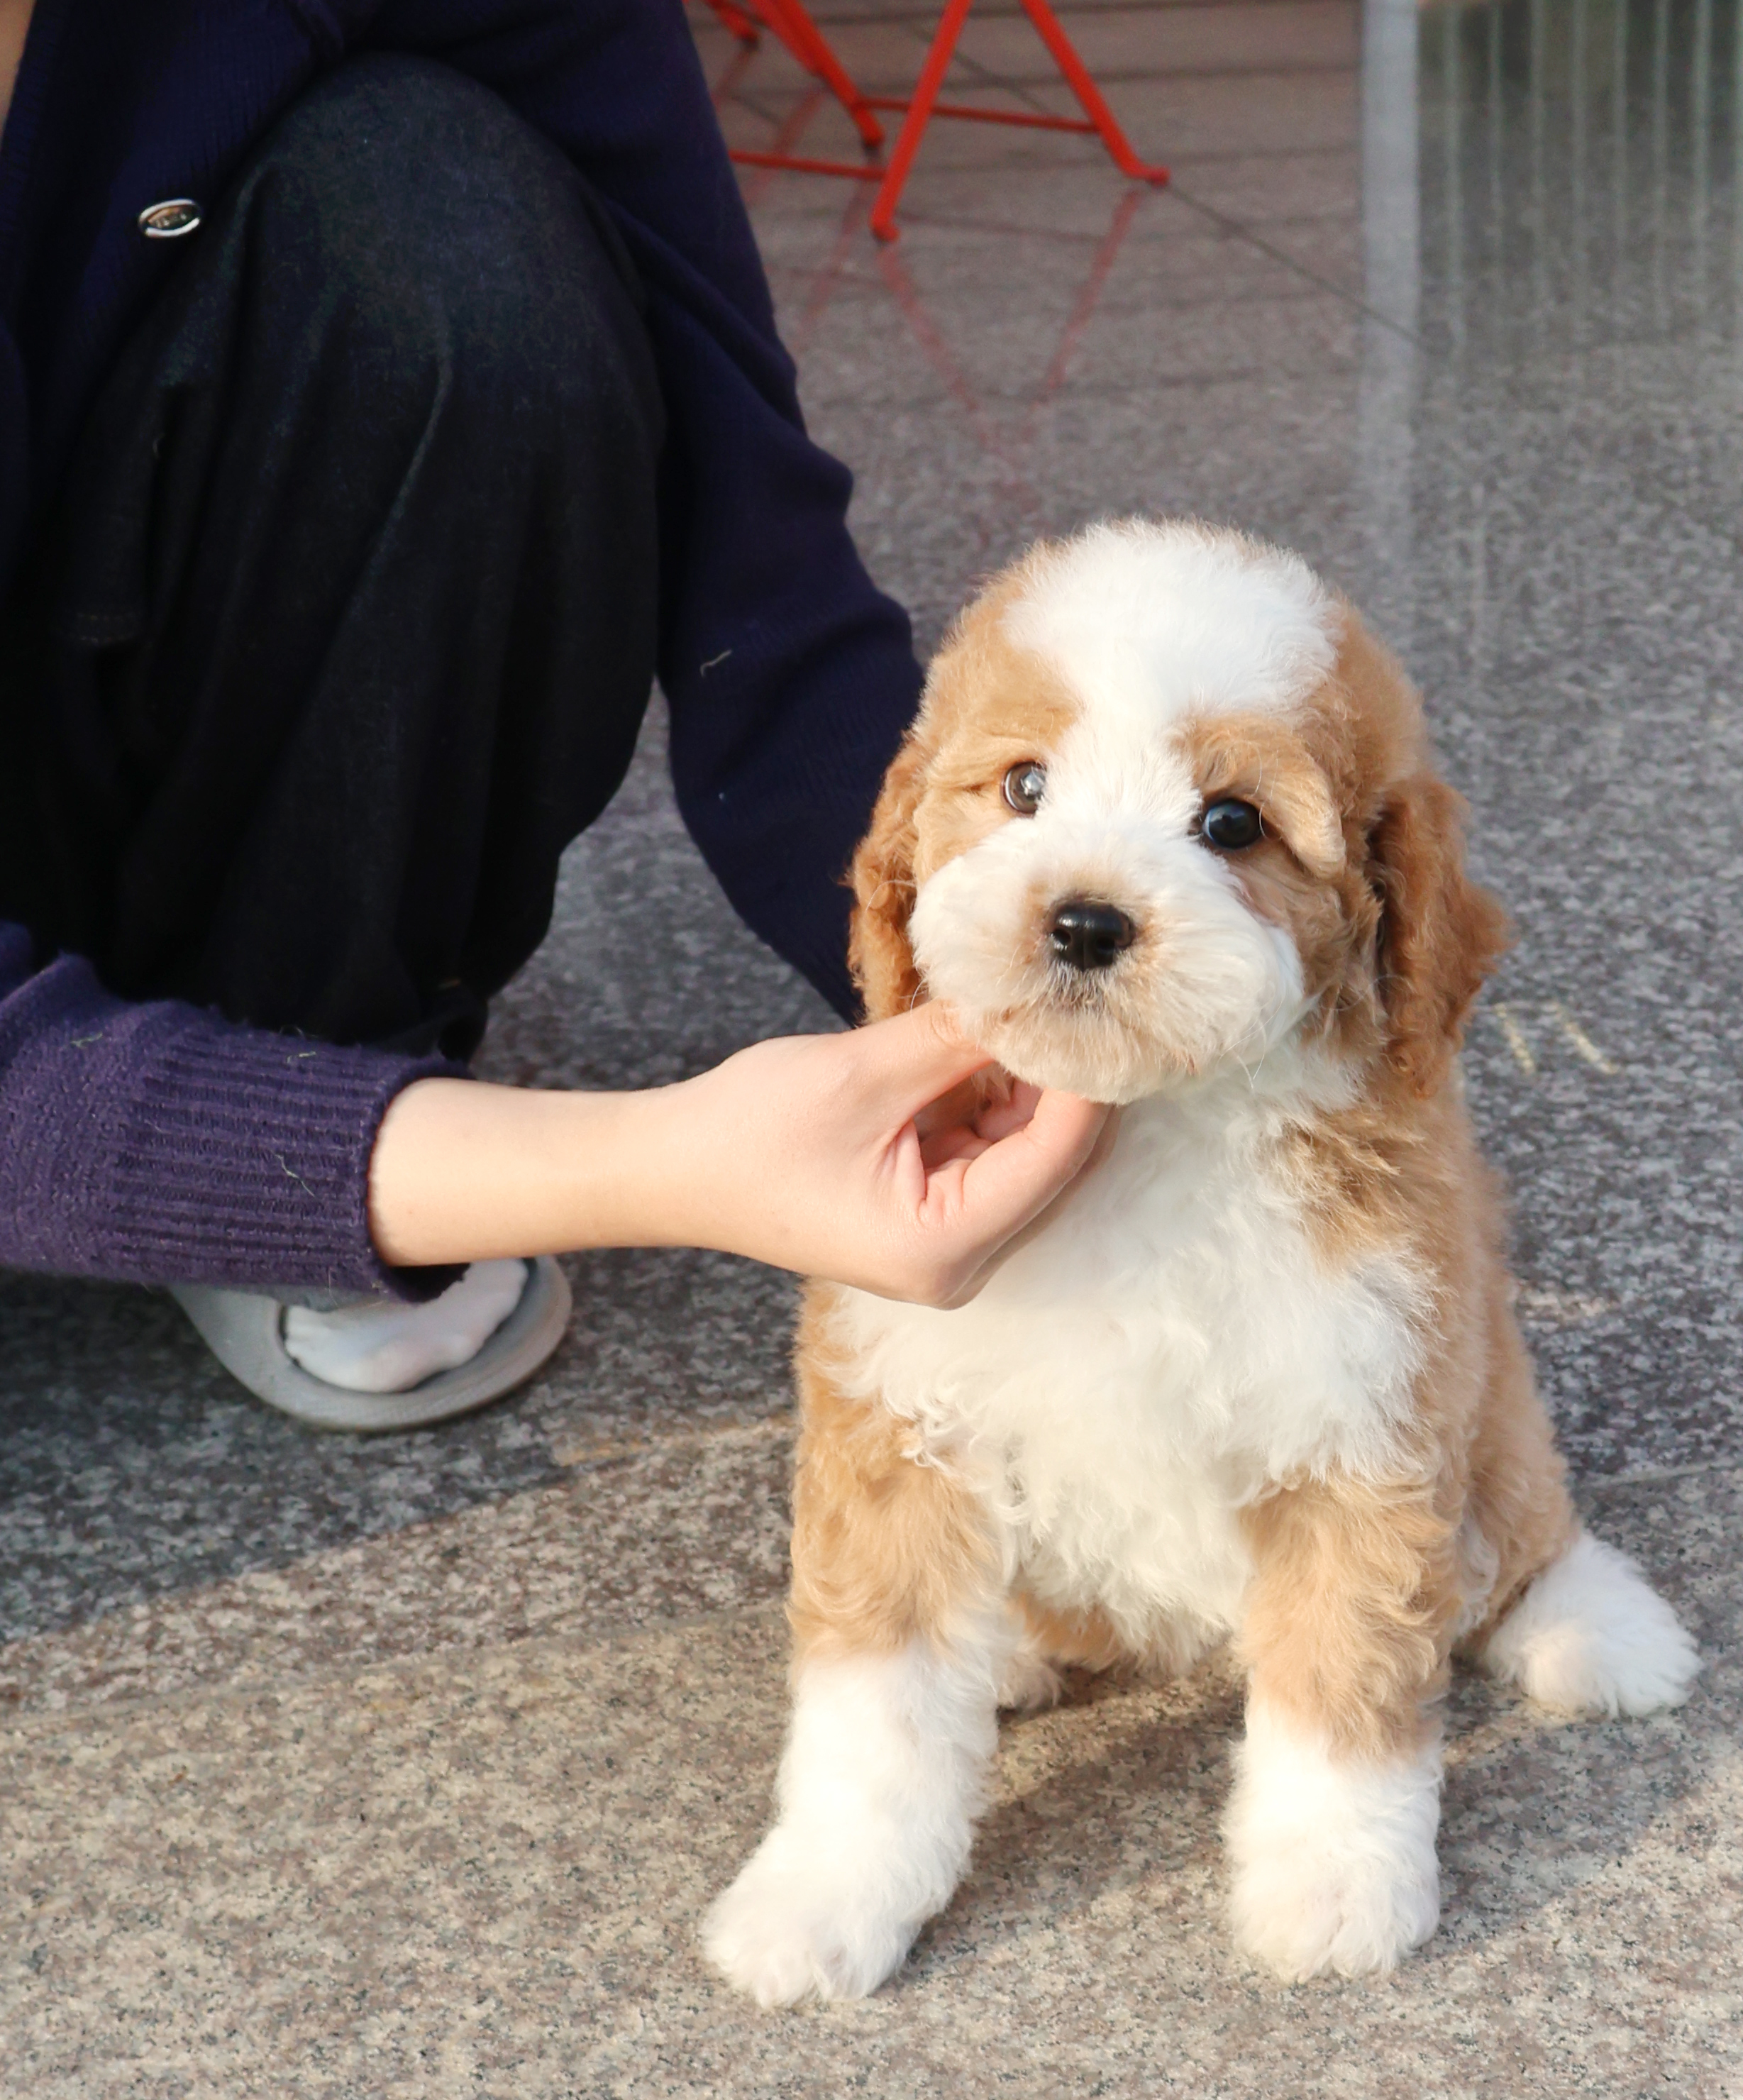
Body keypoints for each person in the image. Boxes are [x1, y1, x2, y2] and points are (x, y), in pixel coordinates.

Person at [0, 0, 1109, 1426]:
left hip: (152, 731)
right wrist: (656, 1165)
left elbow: (756, 560)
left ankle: (306, 1031)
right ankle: (297, 1165)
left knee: (435, 208)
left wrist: (983, 954)